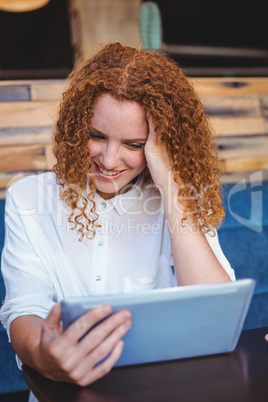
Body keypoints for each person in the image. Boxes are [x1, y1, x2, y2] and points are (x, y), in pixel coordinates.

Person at [0, 42, 235, 387]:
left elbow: (218, 313)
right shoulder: (28, 198)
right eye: (96, 136)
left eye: (134, 144)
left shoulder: (178, 200)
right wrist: (44, 354)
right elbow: (25, 308)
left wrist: (169, 182)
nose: (109, 161)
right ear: (76, 127)